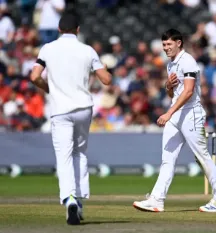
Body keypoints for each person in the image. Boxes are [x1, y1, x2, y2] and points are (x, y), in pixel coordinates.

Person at [133, 29, 216, 212]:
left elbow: (188, 91)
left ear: (179, 43)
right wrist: (168, 87)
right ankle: (157, 199)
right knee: (167, 158)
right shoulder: (171, 64)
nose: (166, 48)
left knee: (202, 157)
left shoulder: (188, 61)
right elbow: (175, 93)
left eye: (169, 44)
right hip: (176, 114)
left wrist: (169, 113)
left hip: (191, 114)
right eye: (163, 45)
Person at [30, 13, 111, 225]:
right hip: (84, 107)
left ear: (58, 29)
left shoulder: (48, 48)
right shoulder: (87, 50)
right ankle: (80, 198)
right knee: (80, 153)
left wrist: (49, 88)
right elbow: (106, 80)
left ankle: (70, 199)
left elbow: (34, 76)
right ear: (78, 30)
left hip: (60, 109)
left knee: (64, 155)